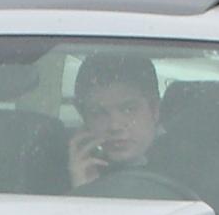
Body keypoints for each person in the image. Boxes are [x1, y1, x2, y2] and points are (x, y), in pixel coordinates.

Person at [68, 52, 164, 188]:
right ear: (83, 116)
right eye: (98, 113)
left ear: (154, 109)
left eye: (128, 110)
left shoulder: (189, 165)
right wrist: (84, 190)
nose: (114, 126)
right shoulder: (61, 172)